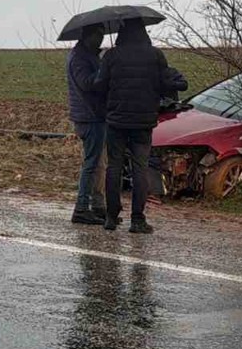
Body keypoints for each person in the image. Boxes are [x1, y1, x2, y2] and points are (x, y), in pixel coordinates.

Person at [93, 19, 185, 234]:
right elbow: (165, 84)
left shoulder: (112, 56)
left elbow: (100, 85)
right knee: (140, 168)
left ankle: (111, 217)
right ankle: (137, 219)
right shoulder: (155, 55)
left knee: (114, 167)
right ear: (144, 33)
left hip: (116, 121)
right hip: (143, 121)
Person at [66, 25, 108, 225]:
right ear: (88, 36)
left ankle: (98, 206)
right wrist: (105, 73)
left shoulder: (85, 55)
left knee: (98, 163)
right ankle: (82, 208)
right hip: (90, 116)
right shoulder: (80, 58)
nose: (100, 39)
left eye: (102, 35)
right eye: (97, 35)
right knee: (91, 164)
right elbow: (87, 83)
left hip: (91, 115)